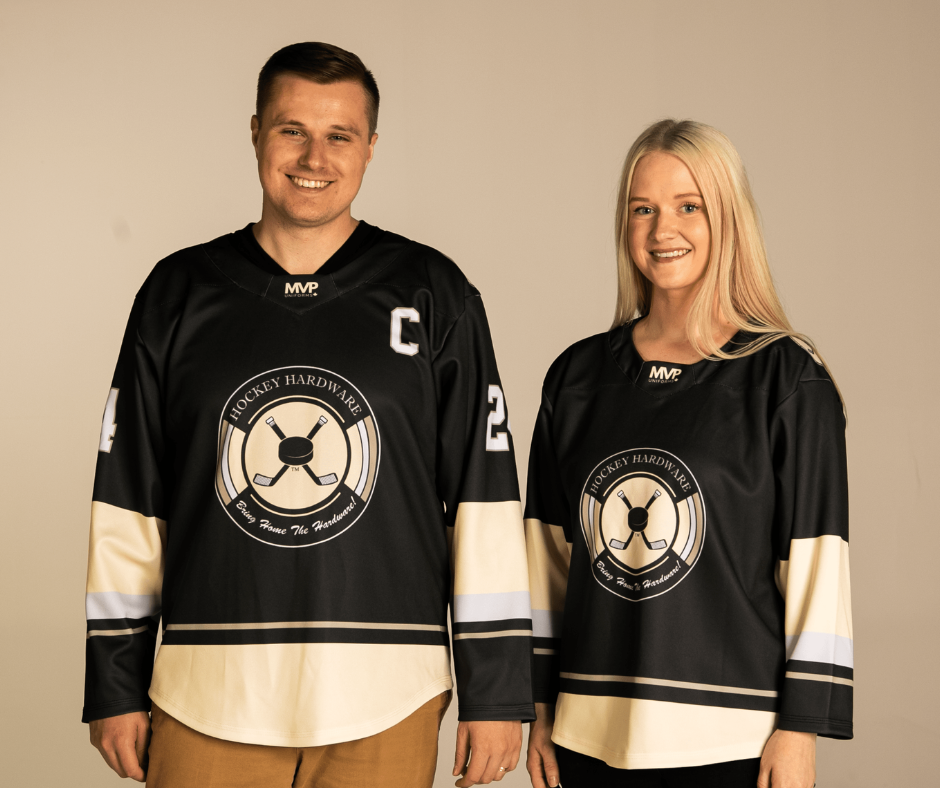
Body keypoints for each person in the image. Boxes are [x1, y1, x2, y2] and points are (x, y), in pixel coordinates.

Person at [83, 42, 533, 788]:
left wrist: (497, 690)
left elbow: (482, 498)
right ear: (256, 132)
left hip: (387, 693)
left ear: (371, 147)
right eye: (292, 130)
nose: (313, 157)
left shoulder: (433, 291)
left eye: (339, 135)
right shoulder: (177, 292)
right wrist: (113, 681)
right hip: (207, 691)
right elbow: (129, 501)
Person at [524, 119, 852, 788]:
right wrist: (537, 706)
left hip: (730, 737)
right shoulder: (577, 376)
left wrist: (800, 728)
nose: (661, 229)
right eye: (642, 208)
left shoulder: (787, 379)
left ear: (727, 217)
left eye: (688, 206)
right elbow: (546, 560)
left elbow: (817, 564)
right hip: (589, 730)